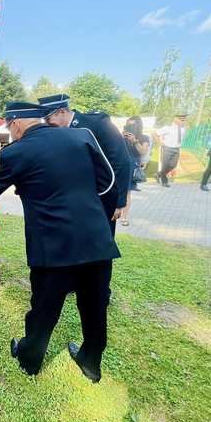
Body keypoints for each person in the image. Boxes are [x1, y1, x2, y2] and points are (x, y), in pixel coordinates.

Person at [0, 101, 119, 382]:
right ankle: (91, 362)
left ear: (15, 123)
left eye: (9, 127)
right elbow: (107, 182)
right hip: (96, 239)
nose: (10, 133)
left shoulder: (16, 152)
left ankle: (29, 359)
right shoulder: (82, 136)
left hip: (53, 245)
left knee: (44, 307)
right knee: (95, 306)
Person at [39, 94, 131, 307]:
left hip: (102, 199)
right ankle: (75, 283)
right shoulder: (58, 132)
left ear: (62, 112)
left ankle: (101, 293)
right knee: (74, 241)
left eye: (49, 119)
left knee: (100, 246)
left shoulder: (96, 123)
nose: (47, 124)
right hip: (74, 200)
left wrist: (118, 202)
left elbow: (122, 161)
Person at [120, 116, 151, 226]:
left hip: (132, 166)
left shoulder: (144, 137)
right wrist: (120, 138)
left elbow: (143, 151)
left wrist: (135, 141)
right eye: (128, 124)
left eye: (132, 125)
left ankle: (124, 217)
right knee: (116, 190)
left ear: (138, 126)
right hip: (120, 164)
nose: (130, 127)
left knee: (127, 193)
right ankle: (114, 212)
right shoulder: (122, 135)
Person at [154, 114, 187, 187]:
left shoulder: (183, 129)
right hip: (167, 148)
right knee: (165, 166)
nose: (182, 120)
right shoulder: (167, 128)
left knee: (173, 165)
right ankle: (164, 182)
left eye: (183, 119)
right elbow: (155, 134)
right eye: (181, 119)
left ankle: (158, 174)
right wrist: (160, 142)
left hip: (177, 149)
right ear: (175, 119)